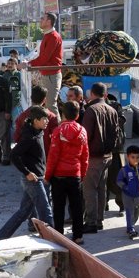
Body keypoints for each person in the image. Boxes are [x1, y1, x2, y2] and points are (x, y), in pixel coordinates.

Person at [0, 106, 53, 240]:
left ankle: (0, 237)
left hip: (38, 177)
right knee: (45, 211)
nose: (47, 122)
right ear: (36, 120)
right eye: (44, 119)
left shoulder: (38, 132)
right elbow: (14, 155)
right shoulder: (29, 137)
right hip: (33, 180)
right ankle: (54, 242)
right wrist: (27, 173)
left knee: (24, 212)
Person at [44, 101, 89, 244]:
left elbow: (53, 155)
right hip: (75, 173)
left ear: (63, 114)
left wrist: (47, 176)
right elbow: (85, 156)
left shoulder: (58, 131)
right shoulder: (82, 131)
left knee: (58, 207)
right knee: (76, 206)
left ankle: (59, 236)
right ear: (77, 115)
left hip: (58, 175)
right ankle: (78, 236)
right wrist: (82, 174)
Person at [81, 83, 119, 233]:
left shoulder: (91, 110)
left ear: (92, 94)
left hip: (93, 155)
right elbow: (116, 133)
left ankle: (91, 222)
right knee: (101, 188)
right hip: (107, 155)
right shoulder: (112, 110)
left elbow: (86, 135)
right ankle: (99, 219)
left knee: (90, 188)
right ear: (105, 93)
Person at [23, 12, 63, 118]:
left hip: (51, 75)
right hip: (47, 74)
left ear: (49, 22)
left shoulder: (53, 36)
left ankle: (57, 132)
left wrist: (28, 64)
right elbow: (42, 57)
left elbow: (44, 58)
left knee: (50, 105)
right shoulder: (48, 35)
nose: (40, 20)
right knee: (47, 105)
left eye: (42, 19)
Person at [14, 85, 58, 154]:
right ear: (44, 100)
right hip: (45, 154)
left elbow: (17, 137)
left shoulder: (22, 116)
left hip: (28, 154)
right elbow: (55, 138)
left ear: (31, 98)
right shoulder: (52, 117)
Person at [116, 145, 139, 239]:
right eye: (132, 157)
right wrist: (125, 187)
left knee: (137, 210)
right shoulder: (124, 170)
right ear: (128, 157)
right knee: (129, 210)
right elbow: (119, 181)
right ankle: (131, 229)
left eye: (137, 157)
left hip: (138, 194)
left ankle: (132, 223)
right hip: (127, 195)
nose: (135, 160)